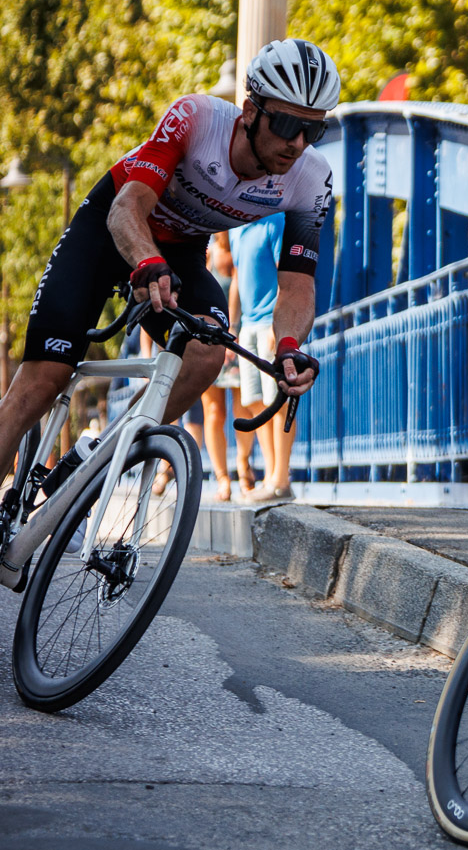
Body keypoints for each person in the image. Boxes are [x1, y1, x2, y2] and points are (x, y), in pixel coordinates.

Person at [0, 39, 335, 507]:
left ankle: (89, 469)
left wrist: (289, 346)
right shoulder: (197, 118)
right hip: (113, 227)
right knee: (42, 380)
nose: (297, 143)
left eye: (312, 130)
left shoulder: (312, 179)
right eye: (286, 124)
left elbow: (297, 284)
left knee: (208, 351)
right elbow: (127, 207)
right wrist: (145, 259)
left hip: (180, 252)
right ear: (250, 111)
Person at [229, 214, 298, 503]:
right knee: (256, 403)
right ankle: (271, 475)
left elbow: (288, 274)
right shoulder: (236, 230)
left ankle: (281, 479)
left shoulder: (275, 222)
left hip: (269, 322)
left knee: (278, 401)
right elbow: (237, 277)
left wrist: (279, 324)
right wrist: (232, 326)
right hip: (247, 326)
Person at [199, 230, 260, 501]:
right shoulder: (207, 254)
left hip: (239, 340)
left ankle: (243, 463)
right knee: (214, 412)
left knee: (243, 407)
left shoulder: (241, 246)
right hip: (210, 341)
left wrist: (233, 330)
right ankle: (222, 477)